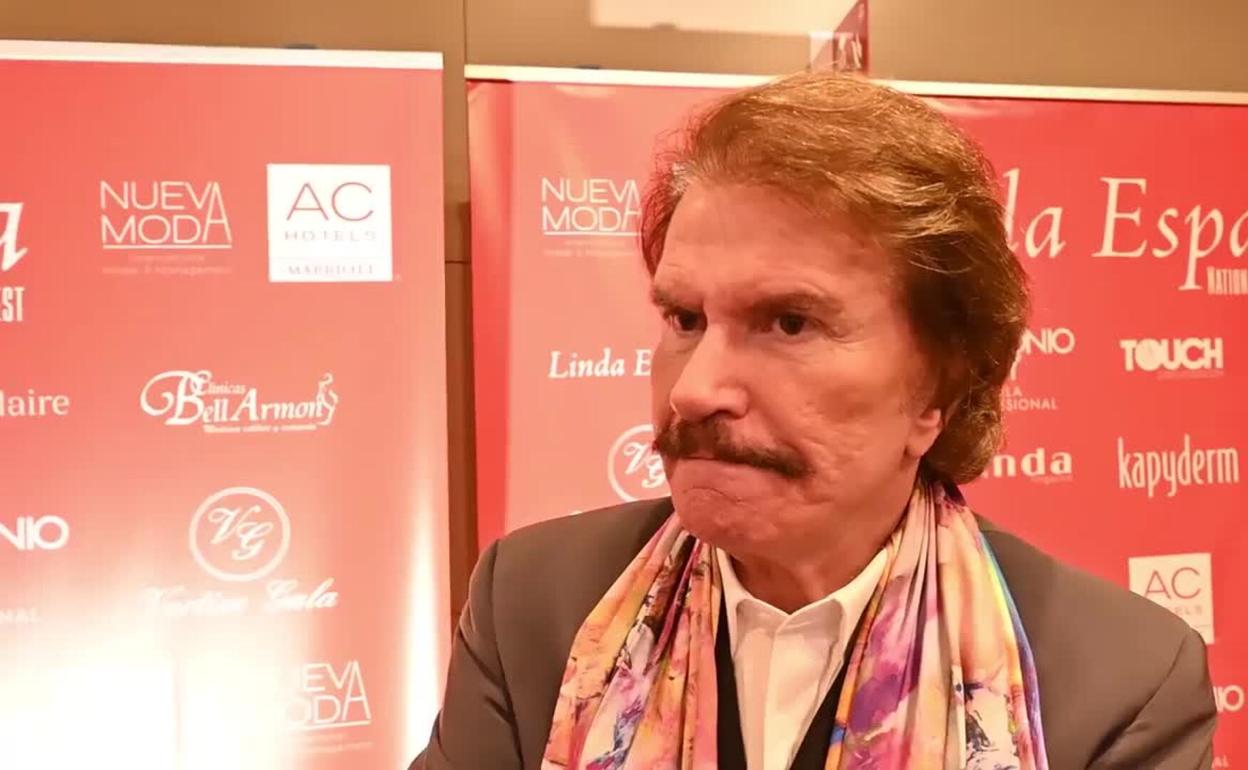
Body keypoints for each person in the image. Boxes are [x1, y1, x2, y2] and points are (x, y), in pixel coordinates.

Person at [414, 73, 1217, 769]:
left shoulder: (1116, 686)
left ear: (938, 389)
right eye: (685, 319)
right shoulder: (535, 605)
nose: (695, 390)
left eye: (789, 323)